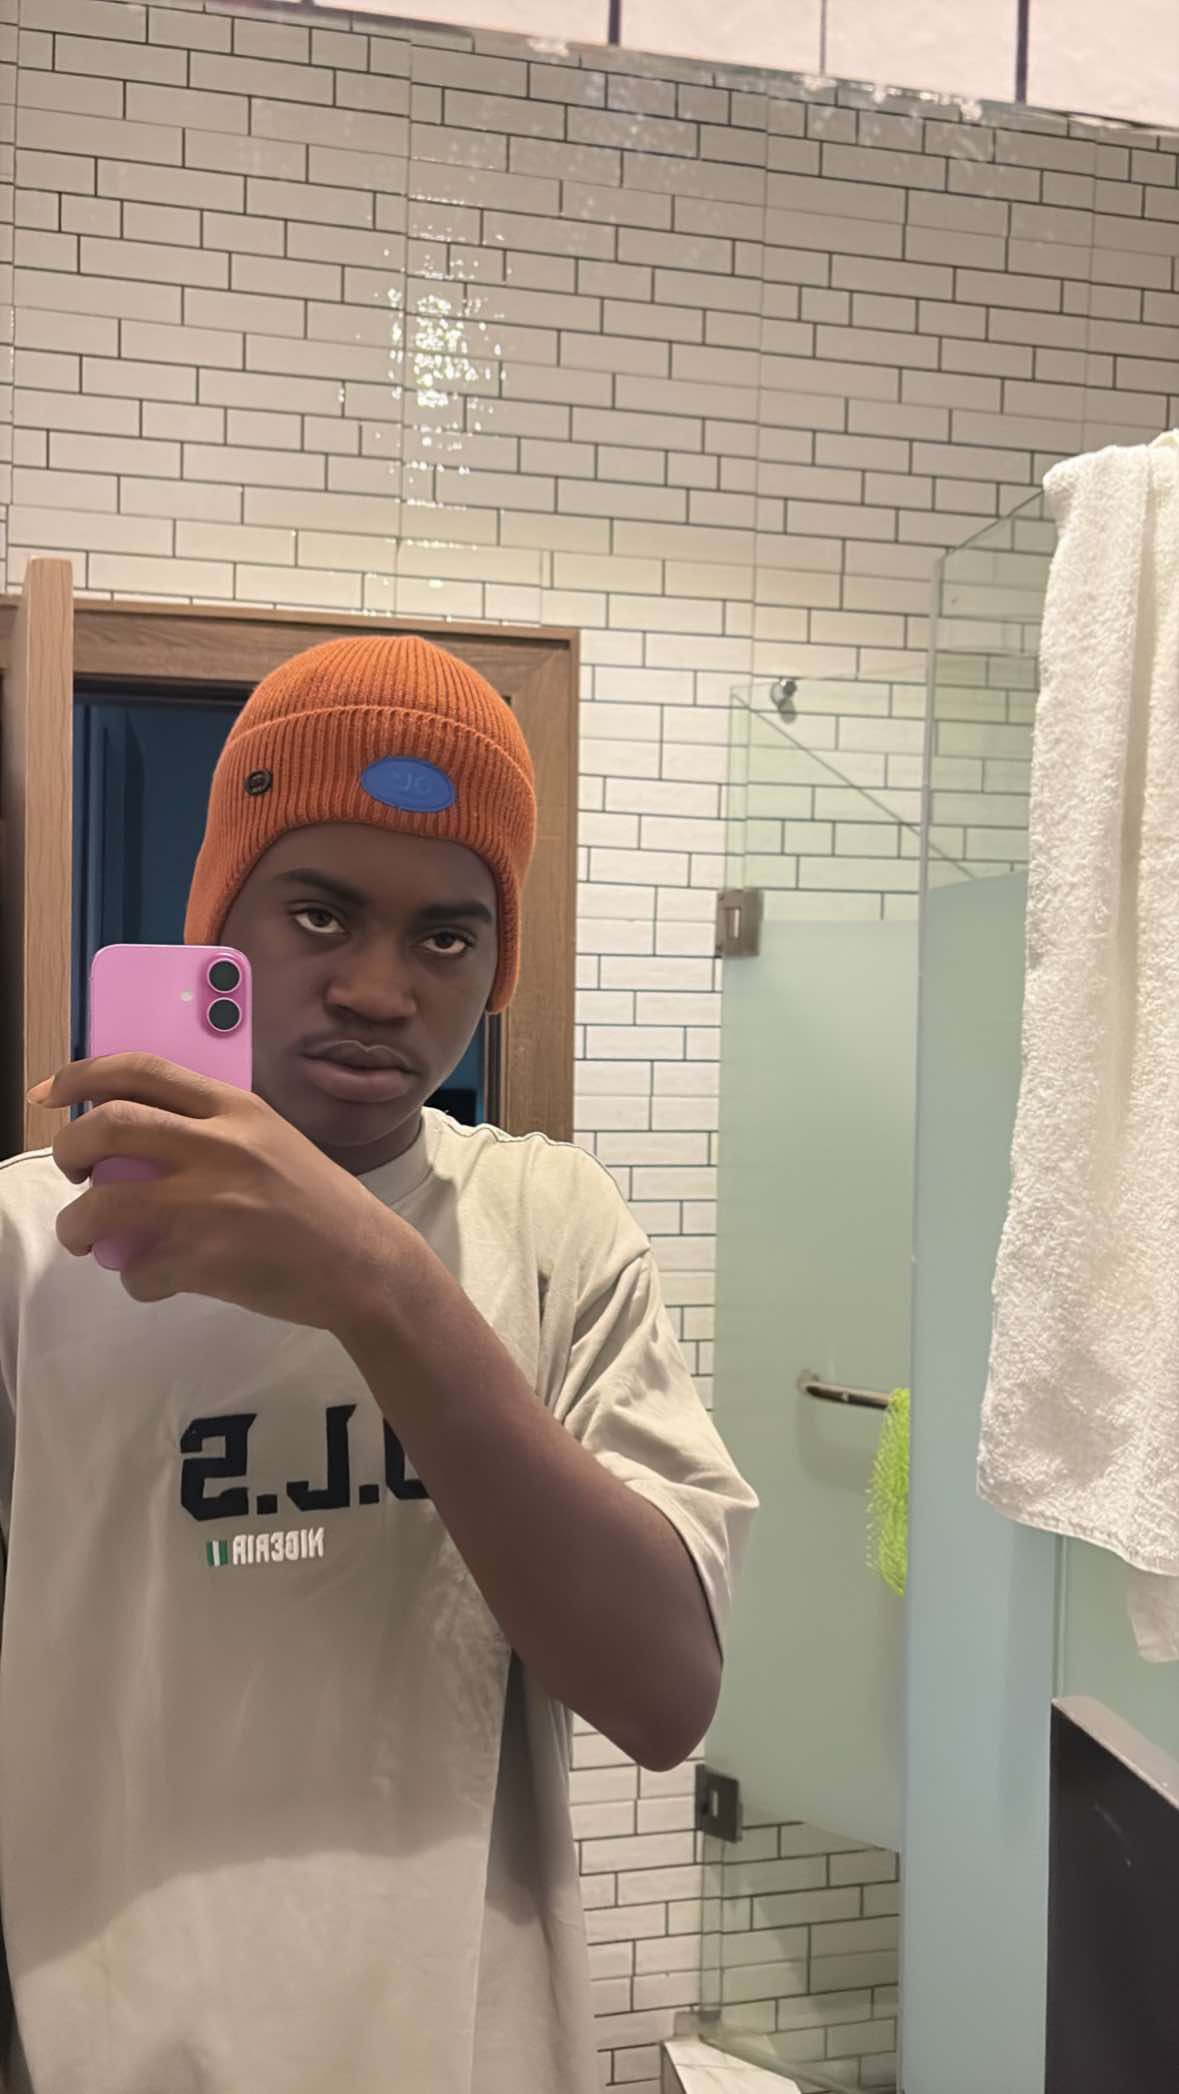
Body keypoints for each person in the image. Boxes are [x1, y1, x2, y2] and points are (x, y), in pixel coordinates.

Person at [0, 634, 756, 2093]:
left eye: (446, 937)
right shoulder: (36, 1241)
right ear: (220, 925)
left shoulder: (549, 1226)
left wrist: (381, 1283)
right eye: (320, 912)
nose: (377, 986)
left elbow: (665, 1699)